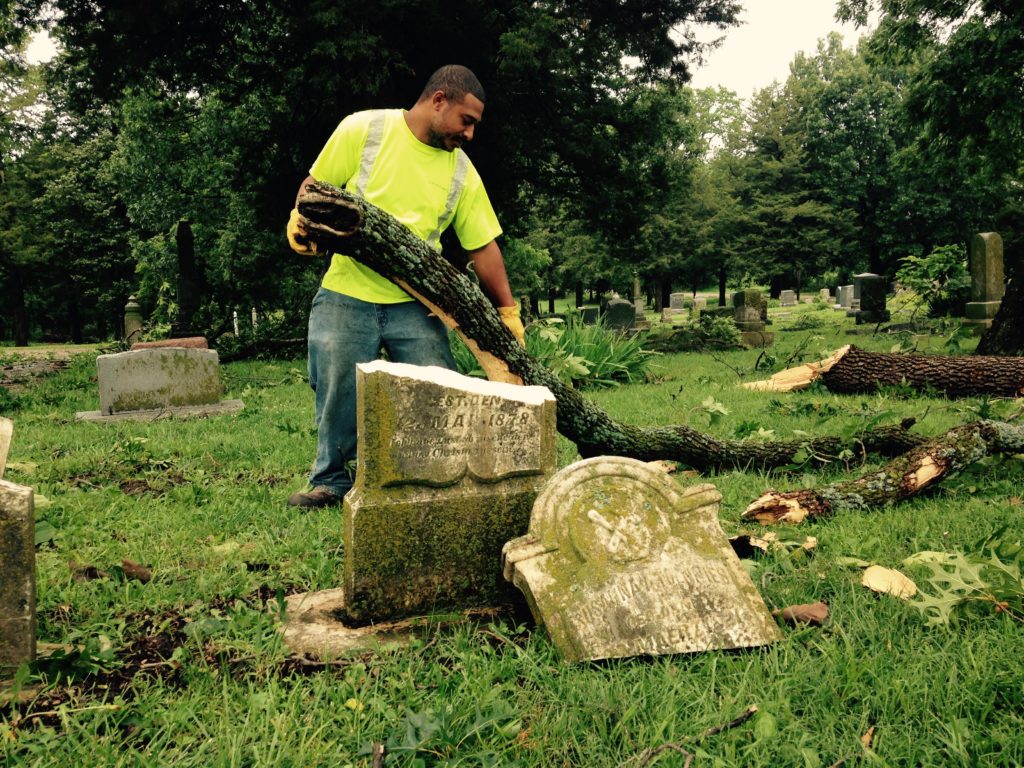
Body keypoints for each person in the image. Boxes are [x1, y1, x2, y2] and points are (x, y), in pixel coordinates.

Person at [285, 64, 524, 509]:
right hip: (347, 292)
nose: (469, 134)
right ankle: (331, 482)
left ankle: (440, 475)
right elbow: (313, 188)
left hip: (418, 304)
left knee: (441, 390)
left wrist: (507, 311)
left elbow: (484, 246)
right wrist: (298, 225)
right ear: (438, 101)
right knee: (337, 387)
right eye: (465, 121)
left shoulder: (462, 171)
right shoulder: (363, 129)